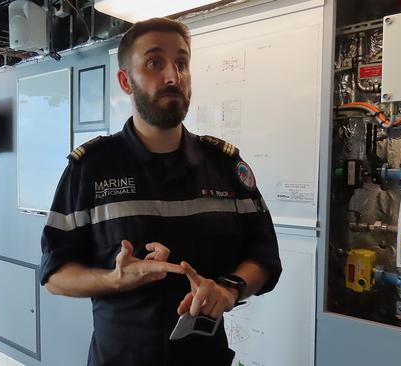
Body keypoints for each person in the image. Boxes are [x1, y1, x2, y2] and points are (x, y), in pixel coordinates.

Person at [39, 17, 282, 366]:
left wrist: (228, 289)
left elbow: (264, 254)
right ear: (126, 81)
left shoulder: (225, 165)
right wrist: (116, 280)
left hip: (206, 359)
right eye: (155, 63)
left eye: (181, 63)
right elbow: (55, 275)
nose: (173, 76)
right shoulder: (89, 170)